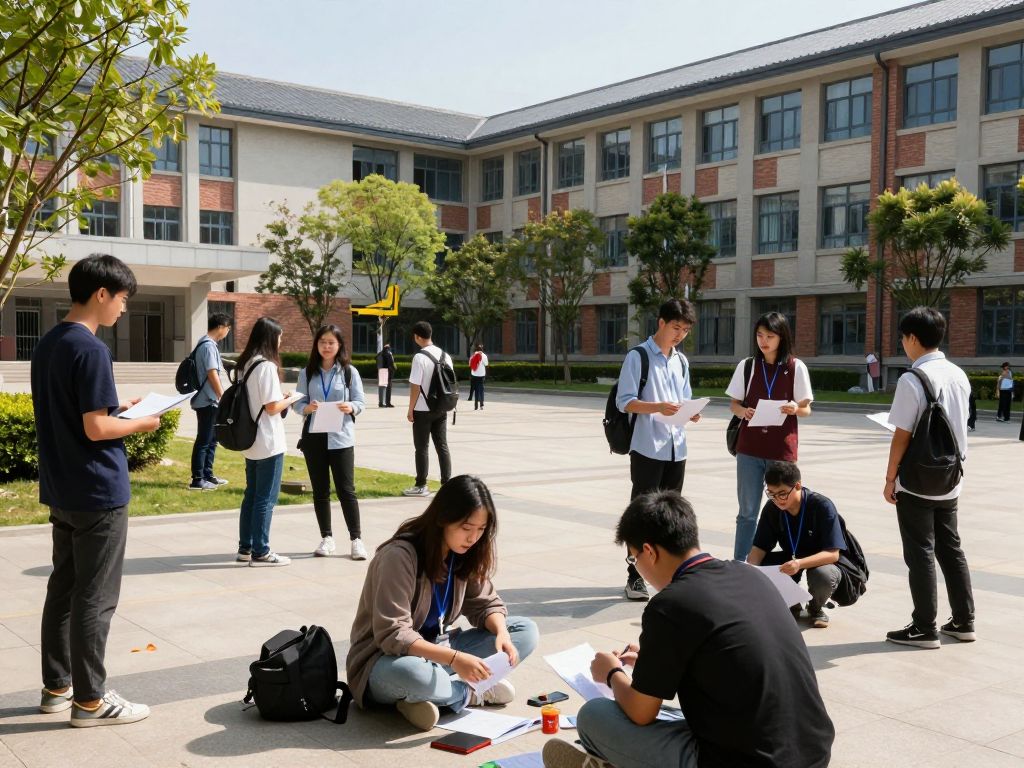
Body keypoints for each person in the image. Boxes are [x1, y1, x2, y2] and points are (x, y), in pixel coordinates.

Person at [542, 491, 833, 768]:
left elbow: (641, 713)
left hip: (745, 761)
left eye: (633, 558)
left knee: (596, 715)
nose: (638, 566)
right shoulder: (748, 574)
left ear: (648, 551)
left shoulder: (670, 604)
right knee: (676, 714)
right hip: (813, 751)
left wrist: (611, 673)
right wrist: (654, 661)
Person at [32, 254, 161, 726]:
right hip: (97, 491)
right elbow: (95, 428)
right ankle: (90, 700)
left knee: (62, 588)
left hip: (63, 487)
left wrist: (116, 405)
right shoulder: (91, 349)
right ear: (101, 294)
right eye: (123, 298)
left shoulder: (49, 344)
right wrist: (143, 421)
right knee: (95, 597)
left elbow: (77, 412)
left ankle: (56, 688)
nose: (123, 308)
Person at [346, 475, 539, 732]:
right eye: (466, 527)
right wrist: (456, 659)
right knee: (415, 676)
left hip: (438, 651)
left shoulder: (464, 554)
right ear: (443, 518)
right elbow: (394, 635)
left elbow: (486, 603)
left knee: (524, 631)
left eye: (481, 530)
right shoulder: (398, 557)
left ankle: (423, 698)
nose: (473, 538)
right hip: (385, 661)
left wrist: (501, 632)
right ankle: (467, 694)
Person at [884, 307, 975, 649]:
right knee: (950, 548)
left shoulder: (912, 379)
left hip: (917, 479)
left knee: (920, 549)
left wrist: (890, 477)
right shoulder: (958, 374)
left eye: (903, 338)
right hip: (950, 478)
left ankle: (924, 626)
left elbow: (902, 435)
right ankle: (964, 621)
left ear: (912, 339)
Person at [614, 297, 700, 601]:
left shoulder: (681, 361)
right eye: (676, 327)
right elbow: (624, 401)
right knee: (643, 513)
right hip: (648, 446)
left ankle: (668, 572)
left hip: (678, 447)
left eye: (685, 330)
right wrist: (659, 407)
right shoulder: (638, 356)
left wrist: (690, 411)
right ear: (661, 322)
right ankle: (634, 575)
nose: (679, 335)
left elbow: (683, 398)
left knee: (672, 513)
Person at [726, 311, 813, 561]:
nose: (763, 341)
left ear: (782, 337)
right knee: (747, 512)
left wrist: (795, 408)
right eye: (760, 335)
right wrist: (744, 411)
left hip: (781, 451)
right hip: (750, 448)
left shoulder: (796, 367)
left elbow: (806, 409)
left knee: (785, 507)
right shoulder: (748, 366)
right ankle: (741, 564)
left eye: (770, 336)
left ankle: (787, 562)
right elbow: (734, 404)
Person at [294, 325, 367, 560]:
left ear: (339, 346)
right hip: (314, 437)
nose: (327, 346)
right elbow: (297, 402)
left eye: (331, 342)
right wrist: (307, 408)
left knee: (347, 490)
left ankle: (356, 539)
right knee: (321, 491)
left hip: (341, 437)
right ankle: (327, 537)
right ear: (316, 344)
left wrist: (351, 407)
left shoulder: (348, 372)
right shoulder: (307, 372)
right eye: (323, 342)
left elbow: (360, 401)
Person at [746, 461, 845, 628]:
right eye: (771, 494)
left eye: (782, 493)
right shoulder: (772, 508)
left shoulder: (821, 506)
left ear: (798, 486)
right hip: (791, 557)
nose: (778, 500)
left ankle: (816, 608)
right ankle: (792, 604)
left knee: (823, 575)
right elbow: (759, 548)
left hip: (822, 560)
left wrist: (799, 563)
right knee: (763, 567)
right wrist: (750, 570)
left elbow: (833, 553)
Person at [235, 316, 295, 567]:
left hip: (250, 439)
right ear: (271, 338)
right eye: (279, 337)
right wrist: (290, 399)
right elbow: (272, 407)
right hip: (269, 440)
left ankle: (245, 548)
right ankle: (262, 550)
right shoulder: (267, 366)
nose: (280, 341)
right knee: (265, 499)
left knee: (251, 495)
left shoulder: (245, 364)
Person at [403, 320, 453, 497]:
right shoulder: (445, 355)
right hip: (441, 407)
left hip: (423, 409)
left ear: (417, 337)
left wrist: (410, 409)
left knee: (421, 447)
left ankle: (421, 485)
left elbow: (415, 385)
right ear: (430, 334)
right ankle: (446, 484)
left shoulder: (419, 357)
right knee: (442, 445)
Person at [188, 312, 232, 490]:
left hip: (210, 400)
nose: (227, 332)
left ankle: (208, 474)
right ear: (221, 327)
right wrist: (223, 396)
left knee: (212, 439)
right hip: (207, 400)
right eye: (228, 328)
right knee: (204, 440)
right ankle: (197, 479)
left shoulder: (208, 344)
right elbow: (212, 373)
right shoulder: (207, 346)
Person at [469, 343, 488, 410]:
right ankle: (481, 405)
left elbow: (470, 364)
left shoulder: (473, 356)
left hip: (474, 374)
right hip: (481, 375)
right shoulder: (484, 356)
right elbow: (486, 364)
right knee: (481, 390)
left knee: (476, 390)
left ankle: (476, 406)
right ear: (482, 349)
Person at [376, 342, 396, 408]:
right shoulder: (389, 353)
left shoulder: (379, 354)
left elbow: (376, 360)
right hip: (387, 372)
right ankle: (387, 403)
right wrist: (394, 368)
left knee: (381, 388)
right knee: (388, 388)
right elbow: (392, 363)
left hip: (381, 371)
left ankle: (381, 403)